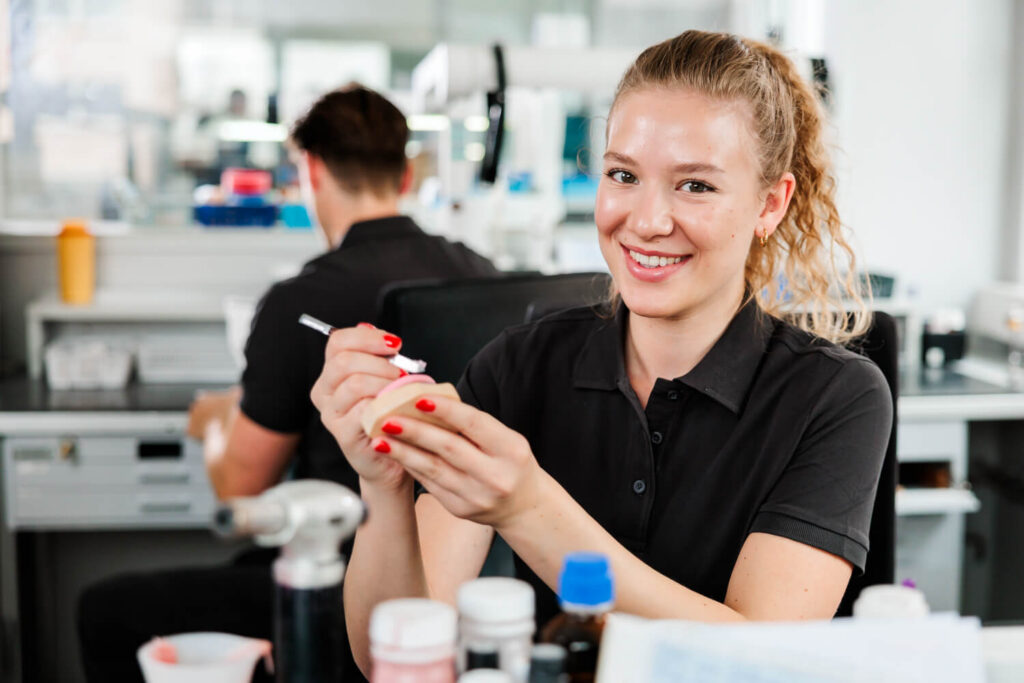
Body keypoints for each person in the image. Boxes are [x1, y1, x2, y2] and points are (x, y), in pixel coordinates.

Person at [311, 30, 893, 675]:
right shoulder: (517, 368)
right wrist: (383, 486)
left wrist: (526, 506)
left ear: (769, 204)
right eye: (623, 175)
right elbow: (385, 660)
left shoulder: (837, 397)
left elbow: (755, 662)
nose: (645, 220)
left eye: (695, 186)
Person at [76, 84, 497, 683]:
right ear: (405, 176)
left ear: (312, 172)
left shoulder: (298, 303)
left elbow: (240, 487)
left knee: (106, 610)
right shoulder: (483, 274)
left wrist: (216, 420)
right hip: (461, 589)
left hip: (341, 579)